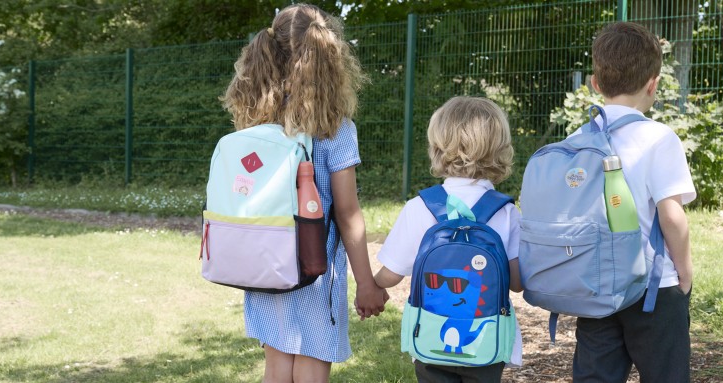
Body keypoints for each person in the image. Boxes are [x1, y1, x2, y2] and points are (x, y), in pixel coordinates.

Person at [219, 4, 388, 383]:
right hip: (316, 270)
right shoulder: (335, 128)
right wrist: (366, 284)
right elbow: (347, 213)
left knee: (277, 367)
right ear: (329, 58)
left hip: (263, 264)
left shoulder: (255, 121)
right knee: (312, 365)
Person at [569, 22, 696, 383]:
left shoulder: (577, 140)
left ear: (595, 83)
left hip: (595, 287)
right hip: (653, 287)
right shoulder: (658, 138)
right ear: (653, 83)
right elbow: (672, 216)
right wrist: (684, 274)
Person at [372, 96, 524, 383]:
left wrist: (373, 286)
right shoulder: (505, 212)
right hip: (487, 341)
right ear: (500, 149)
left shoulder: (420, 206)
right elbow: (516, 283)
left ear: (437, 146)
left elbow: (391, 273)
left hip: (429, 338)